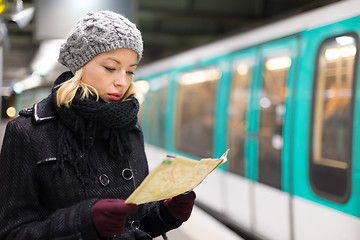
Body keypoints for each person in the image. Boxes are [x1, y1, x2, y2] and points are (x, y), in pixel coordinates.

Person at [0, 10, 196, 240]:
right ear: (80, 65)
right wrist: (82, 223)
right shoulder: (28, 132)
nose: (122, 81)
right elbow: (11, 232)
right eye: (110, 68)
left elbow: (136, 221)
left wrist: (165, 213)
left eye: (130, 71)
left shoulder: (130, 128)